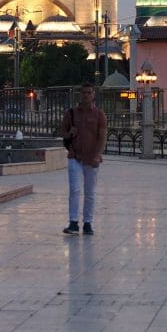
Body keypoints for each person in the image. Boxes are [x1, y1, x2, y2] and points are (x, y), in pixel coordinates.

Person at [59, 82, 107, 235]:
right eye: (84, 92)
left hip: (91, 159)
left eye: (89, 92)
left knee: (90, 192)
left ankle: (88, 223)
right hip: (75, 157)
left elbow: (102, 137)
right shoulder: (71, 113)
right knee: (75, 189)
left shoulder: (99, 115)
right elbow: (63, 133)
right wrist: (69, 133)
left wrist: (97, 155)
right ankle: (73, 222)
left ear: (93, 95)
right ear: (80, 94)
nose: (86, 95)